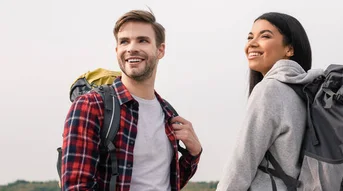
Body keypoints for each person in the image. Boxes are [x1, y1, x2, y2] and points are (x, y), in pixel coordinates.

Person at [60, 9, 202, 191]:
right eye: (124, 41)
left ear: (160, 50)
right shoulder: (91, 106)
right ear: (117, 50)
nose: (131, 48)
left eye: (142, 40)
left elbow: (164, 183)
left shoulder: (168, 113)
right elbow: (77, 187)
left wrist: (194, 153)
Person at [216, 12, 323, 190]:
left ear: (289, 49)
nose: (251, 43)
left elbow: (241, 164)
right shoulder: (308, 92)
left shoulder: (270, 90)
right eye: (250, 37)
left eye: (265, 36)